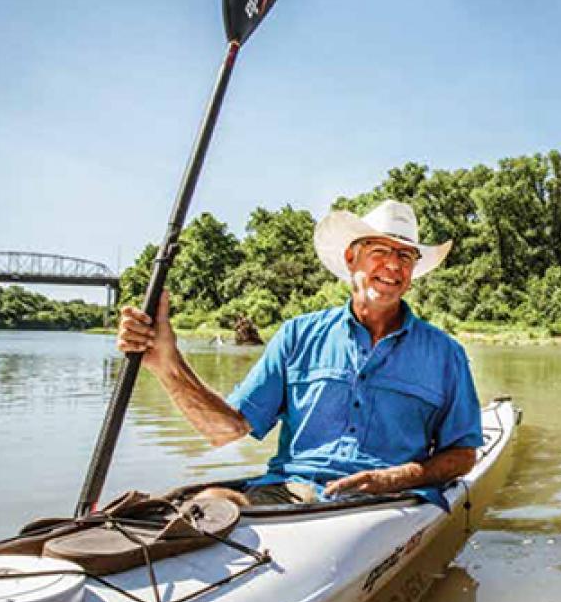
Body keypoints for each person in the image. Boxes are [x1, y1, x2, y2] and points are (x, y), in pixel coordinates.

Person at [115, 199, 483, 508]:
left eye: (406, 255)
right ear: (352, 257)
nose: (393, 265)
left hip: (391, 506)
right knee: (210, 501)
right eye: (380, 251)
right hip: (294, 494)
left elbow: (463, 454)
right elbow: (225, 431)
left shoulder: (446, 354)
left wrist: (397, 477)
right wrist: (168, 365)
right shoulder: (297, 335)